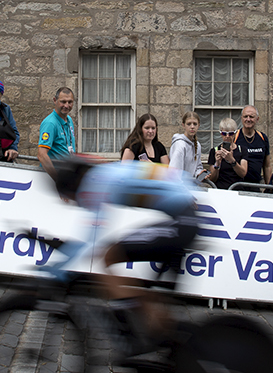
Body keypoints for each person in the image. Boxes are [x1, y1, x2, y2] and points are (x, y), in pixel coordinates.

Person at [53, 157, 199, 341]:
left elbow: (91, 239)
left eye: (72, 199)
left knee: (108, 257)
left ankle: (134, 315)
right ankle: (159, 335)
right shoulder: (102, 173)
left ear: (73, 187)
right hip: (184, 218)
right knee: (158, 312)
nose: (76, 203)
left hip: (182, 223)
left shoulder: (94, 182)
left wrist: (57, 269)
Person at [38, 87, 76, 178]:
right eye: (63, 102)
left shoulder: (69, 119)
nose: (66, 106)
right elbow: (42, 155)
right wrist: (57, 179)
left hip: (67, 174)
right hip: (53, 177)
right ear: (55, 100)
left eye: (70, 102)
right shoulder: (50, 123)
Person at [234, 105, 272, 184]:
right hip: (238, 186)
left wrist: (269, 187)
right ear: (241, 118)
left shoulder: (263, 138)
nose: (248, 119)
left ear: (257, 119)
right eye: (245, 116)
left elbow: (267, 166)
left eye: (251, 117)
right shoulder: (235, 137)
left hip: (256, 185)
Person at [207, 118, 248, 189]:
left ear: (235, 133)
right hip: (221, 189)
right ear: (220, 134)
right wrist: (217, 164)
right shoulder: (214, 151)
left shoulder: (242, 150)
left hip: (237, 190)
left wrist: (232, 161)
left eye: (231, 133)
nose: (227, 136)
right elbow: (212, 179)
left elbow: (243, 173)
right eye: (224, 133)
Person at [169, 111, 207, 181]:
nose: (192, 127)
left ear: (198, 125)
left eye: (195, 124)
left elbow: (197, 166)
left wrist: (199, 173)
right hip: (180, 187)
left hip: (191, 186)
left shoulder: (197, 145)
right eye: (189, 124)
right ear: (183, 125)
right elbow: (175, 171)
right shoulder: (180, 144)